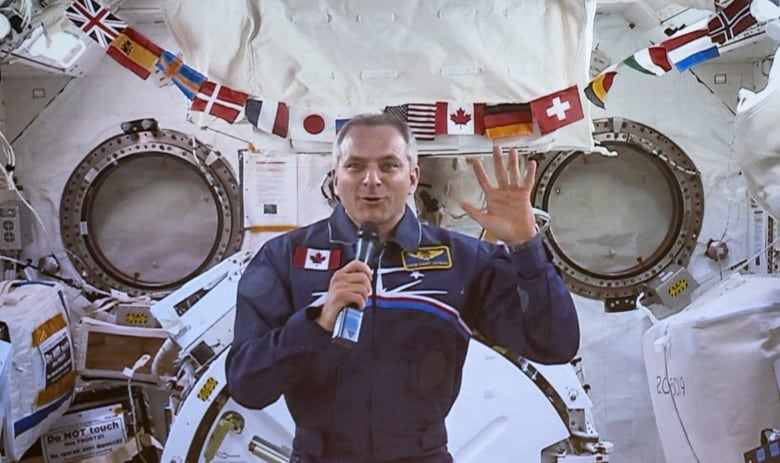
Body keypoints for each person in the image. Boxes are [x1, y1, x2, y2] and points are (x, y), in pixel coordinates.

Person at [226, 113, 579, 463]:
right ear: (335, 178)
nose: (372, 180)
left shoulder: (463, 259)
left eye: (389, 166)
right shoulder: (285, 258)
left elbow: (554, 343)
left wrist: (527, 249)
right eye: (355, 166)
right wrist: (317, 321)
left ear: (412, 177)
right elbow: (247, 385)